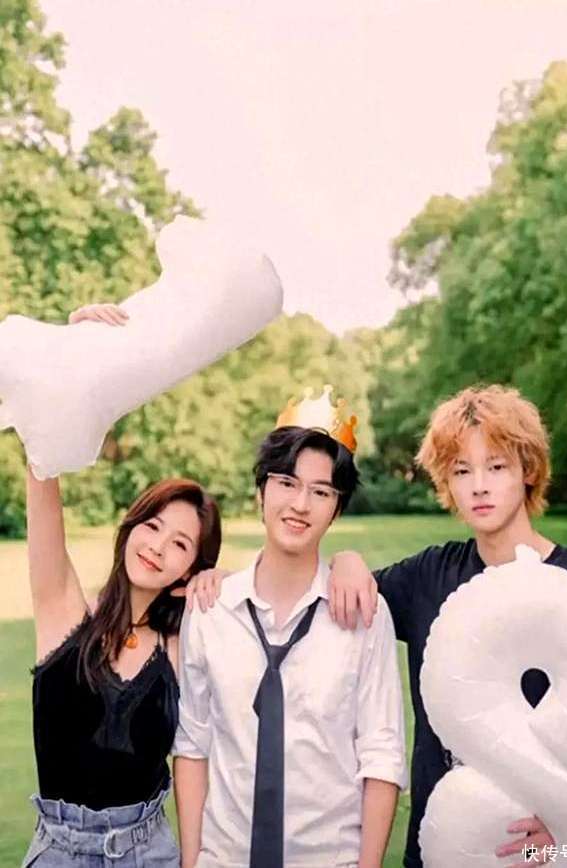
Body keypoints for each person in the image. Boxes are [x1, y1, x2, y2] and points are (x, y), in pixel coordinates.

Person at [327, 384, 567, 868]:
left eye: (496, 467)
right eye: (461, 470)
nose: (479, 486)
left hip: (535, 854)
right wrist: (345, 561)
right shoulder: (427, 577)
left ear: (527, 470)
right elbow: (331, 595)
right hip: (440, 846)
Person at [22, 303, 222, 868]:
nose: (157, 546)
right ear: (130, 528)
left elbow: (272, 596)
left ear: (190, 568)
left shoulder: (181, 645)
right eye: (152, 526)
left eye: (180, 544)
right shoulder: (62, 612)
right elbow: (41, 466)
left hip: (147, 852)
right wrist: (73, 353)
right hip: (58, 852)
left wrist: (223, 580)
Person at [173, 419, 408, 868]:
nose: (300, 504)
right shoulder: (210, 610)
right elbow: (192, 744)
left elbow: (382, 753)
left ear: (336, 509)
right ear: (260, 492)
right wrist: (191, 860)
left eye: (321, 492)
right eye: (286, 483)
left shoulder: (364, 614)